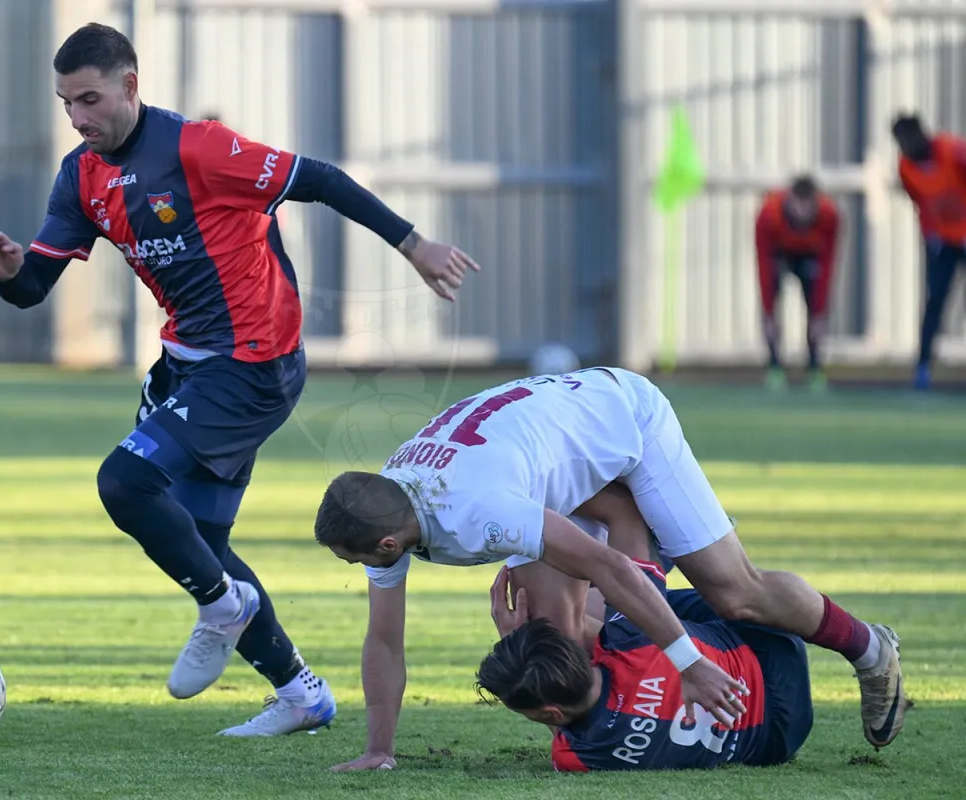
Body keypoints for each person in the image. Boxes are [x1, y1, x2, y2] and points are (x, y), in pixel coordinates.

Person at [0, 22, 480, 736]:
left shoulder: (199, 148)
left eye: (90, 99)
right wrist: (8, 275)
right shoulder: (80, 175)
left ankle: (221, 605)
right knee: (200, 536)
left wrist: (414, 243)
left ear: (130, 86)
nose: (80, 118)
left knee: (126, 483)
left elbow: (321, 180)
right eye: (66, 104)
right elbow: (34, 289)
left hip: (254, 366)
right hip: (186, 364)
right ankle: (299, 692)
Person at [313, 367, 904, 770]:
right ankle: (598, 722)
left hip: (626, 421)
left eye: (352, 558)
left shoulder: (477, 514)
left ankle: (870, 651)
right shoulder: (388, 501)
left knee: (733, 595)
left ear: (388, 543)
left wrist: (689, 664)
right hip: (548, 451)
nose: (351, 567)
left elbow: (605, 566)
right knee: (558, 635)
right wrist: (378, 749)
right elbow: (384, 640)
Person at [477, 556, 814, 772]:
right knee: (626, 603)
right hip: (767, 652)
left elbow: (564, 723)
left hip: (775, 743)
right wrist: (523, 638)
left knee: (589, 615)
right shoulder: (633, 646)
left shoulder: (574, 759)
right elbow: (625, 542)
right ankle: (688, 544)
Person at [892, 112, 966, 390]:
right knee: (935, 301)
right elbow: (920, 202)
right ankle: (923, 367)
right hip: (942, 241)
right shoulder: (906, 168)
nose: (908, 147)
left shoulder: (953, 152)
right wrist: (931, 235)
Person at [754, 175, 840, 392]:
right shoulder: (768, 215)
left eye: (807, 209)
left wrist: (820, 313)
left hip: (809, 256)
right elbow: (763, 265)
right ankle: (774, 365)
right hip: (779, 254)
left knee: (813, 306)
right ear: (790, 199)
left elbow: (827, 265)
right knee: (771, 308)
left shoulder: (829, 216)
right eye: (798, 207)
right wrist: (768, 311)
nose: (802, 215)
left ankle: (814, 366)